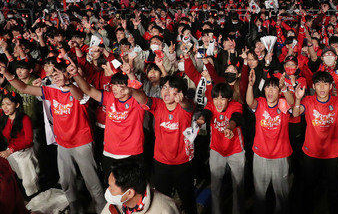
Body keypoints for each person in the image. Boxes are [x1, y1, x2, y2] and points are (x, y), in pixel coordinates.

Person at [0, 60, 106, 213]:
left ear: (68, 75)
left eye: (59, 74)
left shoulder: (79, 88)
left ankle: (102, 209)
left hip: (81, 142)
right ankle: (76, 211)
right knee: (67, 183)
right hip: (62, 144)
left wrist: (67, 83)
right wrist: (7, 74)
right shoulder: (50, 91)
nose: (56, 77)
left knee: (92, 183)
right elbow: (24, 87)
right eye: (53, 74)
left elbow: (79, 96)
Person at [129, 75, 197, 214]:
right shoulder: (158, 105)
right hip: (161, 162)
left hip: (182, 163)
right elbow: (143, 98)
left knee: (188, 200)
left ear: (180, 92)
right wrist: (131, 89)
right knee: (162, 200)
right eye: (164, 87)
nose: (166, 91)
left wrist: (182, 100)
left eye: (171, 88)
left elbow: (187, 106)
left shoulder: (186, 106)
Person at [292, 71, 338, 213]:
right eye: (318, 84)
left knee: (332, 187)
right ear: (313, 86)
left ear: (331, 86)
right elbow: (296, 114)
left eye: (325, 84)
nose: (322, 88)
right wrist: (297, 99)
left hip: (332, 153)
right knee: (309, 186)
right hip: (311, 152)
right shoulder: (308, 101)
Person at [70, 66, 145, 182]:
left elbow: (141, 96)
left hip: (131, 154)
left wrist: (130, 78)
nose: (115, 88)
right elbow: (88, 90)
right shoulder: (109, 97)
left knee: (131, 188)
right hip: (109, 153)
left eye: (119, 85)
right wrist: (76, 74)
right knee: (111, 186)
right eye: (113, 85)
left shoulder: (136, 101)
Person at [246, 74, 294, 214]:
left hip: (280, 155)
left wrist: (284, 88)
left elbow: (293, 103)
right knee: (260, 193)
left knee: (282, 194)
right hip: (261, 155)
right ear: (264, 90)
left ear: (278, 92)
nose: (271, 91)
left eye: (274, 88)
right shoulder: (260, 103)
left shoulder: (283, 103)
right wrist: (250, 85)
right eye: (268, 87)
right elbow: (250, 101)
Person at [196, 82, 245, 214]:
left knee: (238, 187)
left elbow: (236, 117)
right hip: (217, 150)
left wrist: (230, 127)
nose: (218, 102)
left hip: (236, 151)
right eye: (216, 98)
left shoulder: (236, 105)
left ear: (229, 99)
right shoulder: (211, 105)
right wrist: (201, 119)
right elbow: (206, 113)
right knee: (215, 187)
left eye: (222, 98)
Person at [0, 90, 40, 197]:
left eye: (8, 104)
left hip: (24, 154)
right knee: (18, 178)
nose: (5, 107)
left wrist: (11, 150)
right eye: (3, 104)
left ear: (17, 105)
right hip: (10, 153)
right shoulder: (4, 118)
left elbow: (29, 141)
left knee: (29, 184)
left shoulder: (25, 119)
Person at [101, 159, 180, 214]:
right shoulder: (116, 202)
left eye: (111, 188)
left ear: (130, 193)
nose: (108, 190)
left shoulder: (164, 209)